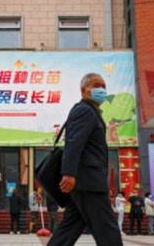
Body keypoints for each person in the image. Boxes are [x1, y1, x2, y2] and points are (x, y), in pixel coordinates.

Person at [48, 73, 123, 246]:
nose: (101, 90)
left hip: (85, 182)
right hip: (89, 182)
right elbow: (73, 143)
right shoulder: (84, 110)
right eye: (97, 85)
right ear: (83, 91)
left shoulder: (91, 111)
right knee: (107, 229)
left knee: (70, 228)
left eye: (103, 86)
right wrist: (68, 173)